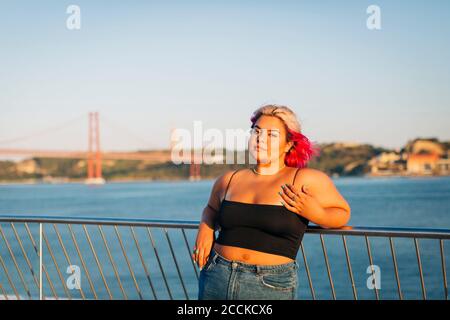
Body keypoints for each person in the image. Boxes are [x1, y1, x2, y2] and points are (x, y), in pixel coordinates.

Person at [193, 104, 351, 300]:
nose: (260, 139)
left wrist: (316, 213)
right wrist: (206, 229)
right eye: (256, 132)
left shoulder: (303, 179)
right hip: (217, 275)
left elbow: (342, 212)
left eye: (271, 135)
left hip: (269, 285)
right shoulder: (229, 179)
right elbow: (211, 209)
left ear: (289, 144)